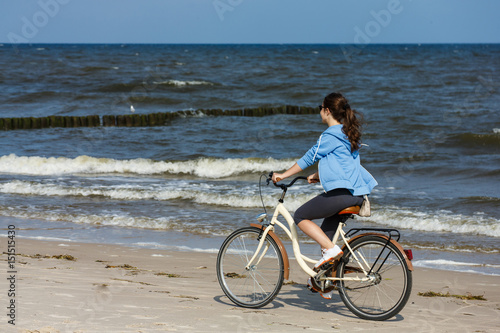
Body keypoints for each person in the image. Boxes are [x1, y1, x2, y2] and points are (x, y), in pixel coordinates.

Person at [272, 92, 377, 298]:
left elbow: (309, 157)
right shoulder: (347, 134)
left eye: (320, 107)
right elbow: (344, 163)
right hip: (355, 194)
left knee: (301, 216)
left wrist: (283, 175)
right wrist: (319, 175)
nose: (319, 111)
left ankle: (332, 252)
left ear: (327, 111)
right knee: (326, 235)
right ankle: (326, 282)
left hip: (342, 195)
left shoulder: (330, 135)